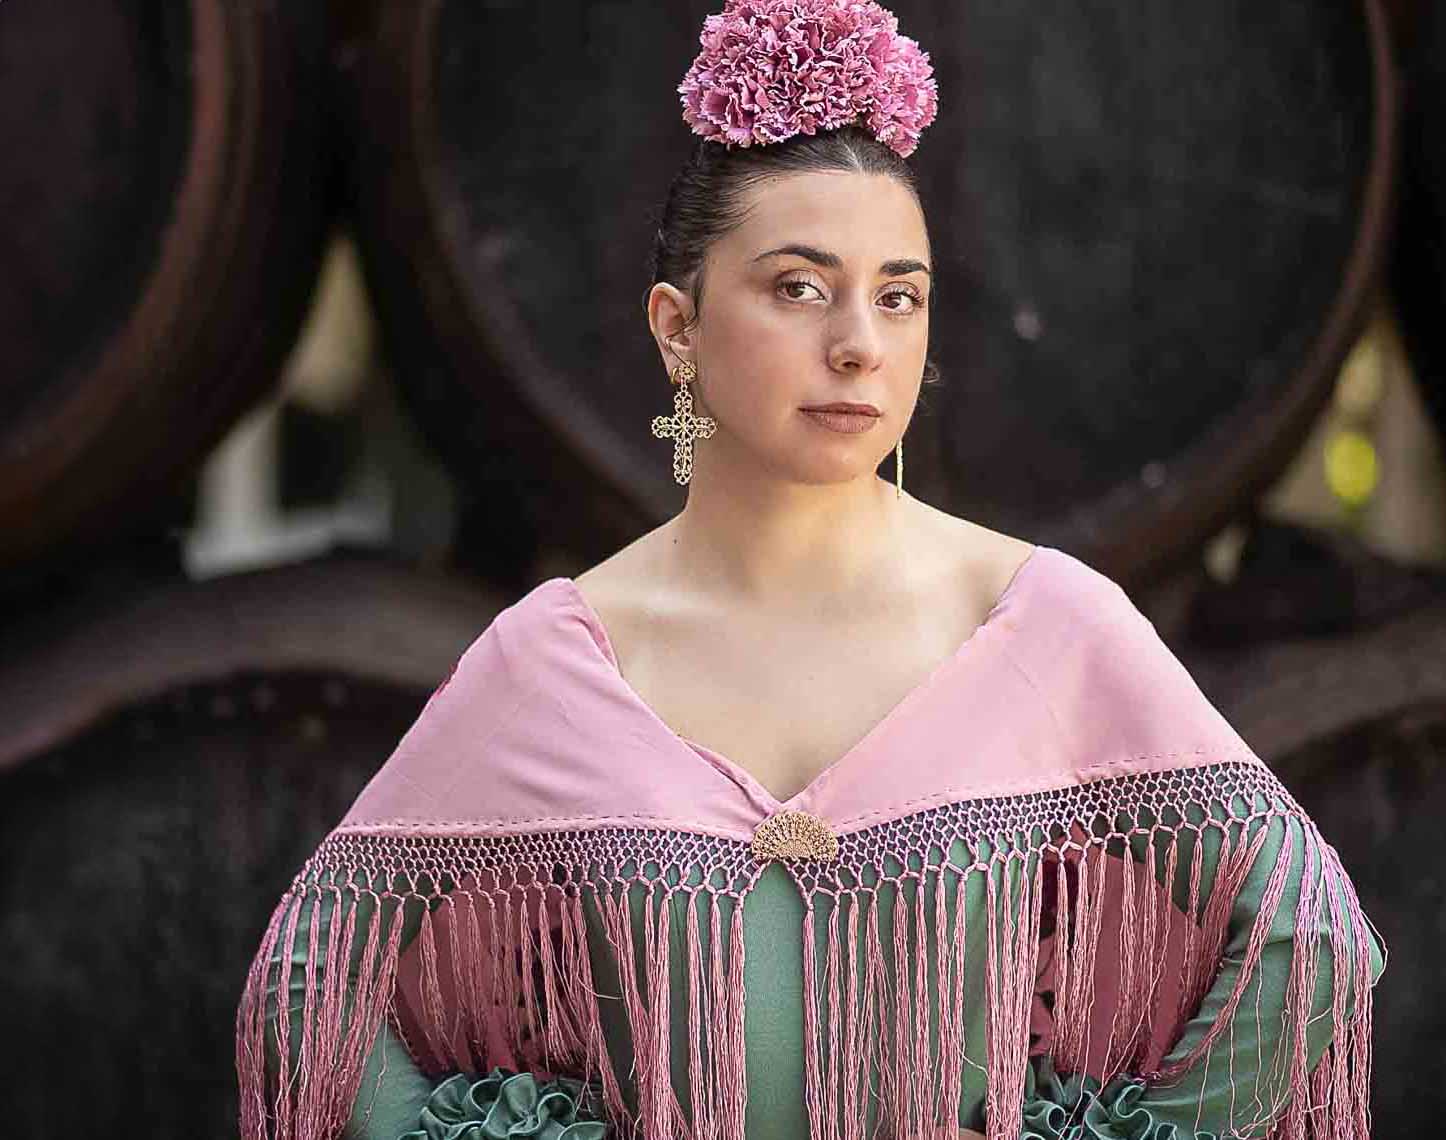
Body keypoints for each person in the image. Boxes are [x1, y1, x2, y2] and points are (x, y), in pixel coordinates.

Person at [235, 2, 1388, 1138]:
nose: (858, 343)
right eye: (798, 287)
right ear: (676, 329)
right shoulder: (562, 653)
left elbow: (1312, 938)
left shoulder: (1038, 622)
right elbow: (306, 990)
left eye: (898, 296)